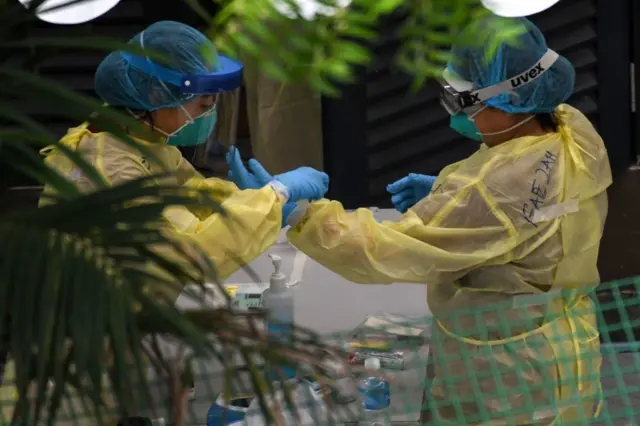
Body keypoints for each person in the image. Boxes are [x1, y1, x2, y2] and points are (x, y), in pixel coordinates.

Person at [228, 17, 611, 425]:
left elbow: (385, 250)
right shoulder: (575, 131)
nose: (460, 115)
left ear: (510, 100)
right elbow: (538, 208)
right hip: (568, 341)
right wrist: (448, 193)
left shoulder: (491, 190)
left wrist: (301, 214)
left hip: (508, 366)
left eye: (467, 102)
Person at [39, 21, 329, 291]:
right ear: (156, 96)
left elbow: (190, 193)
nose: (209, 115)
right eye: (203, 105)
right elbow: (191, 256)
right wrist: (275, 195)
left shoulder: (136, 139)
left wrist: (251, 199)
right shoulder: (111, 169)